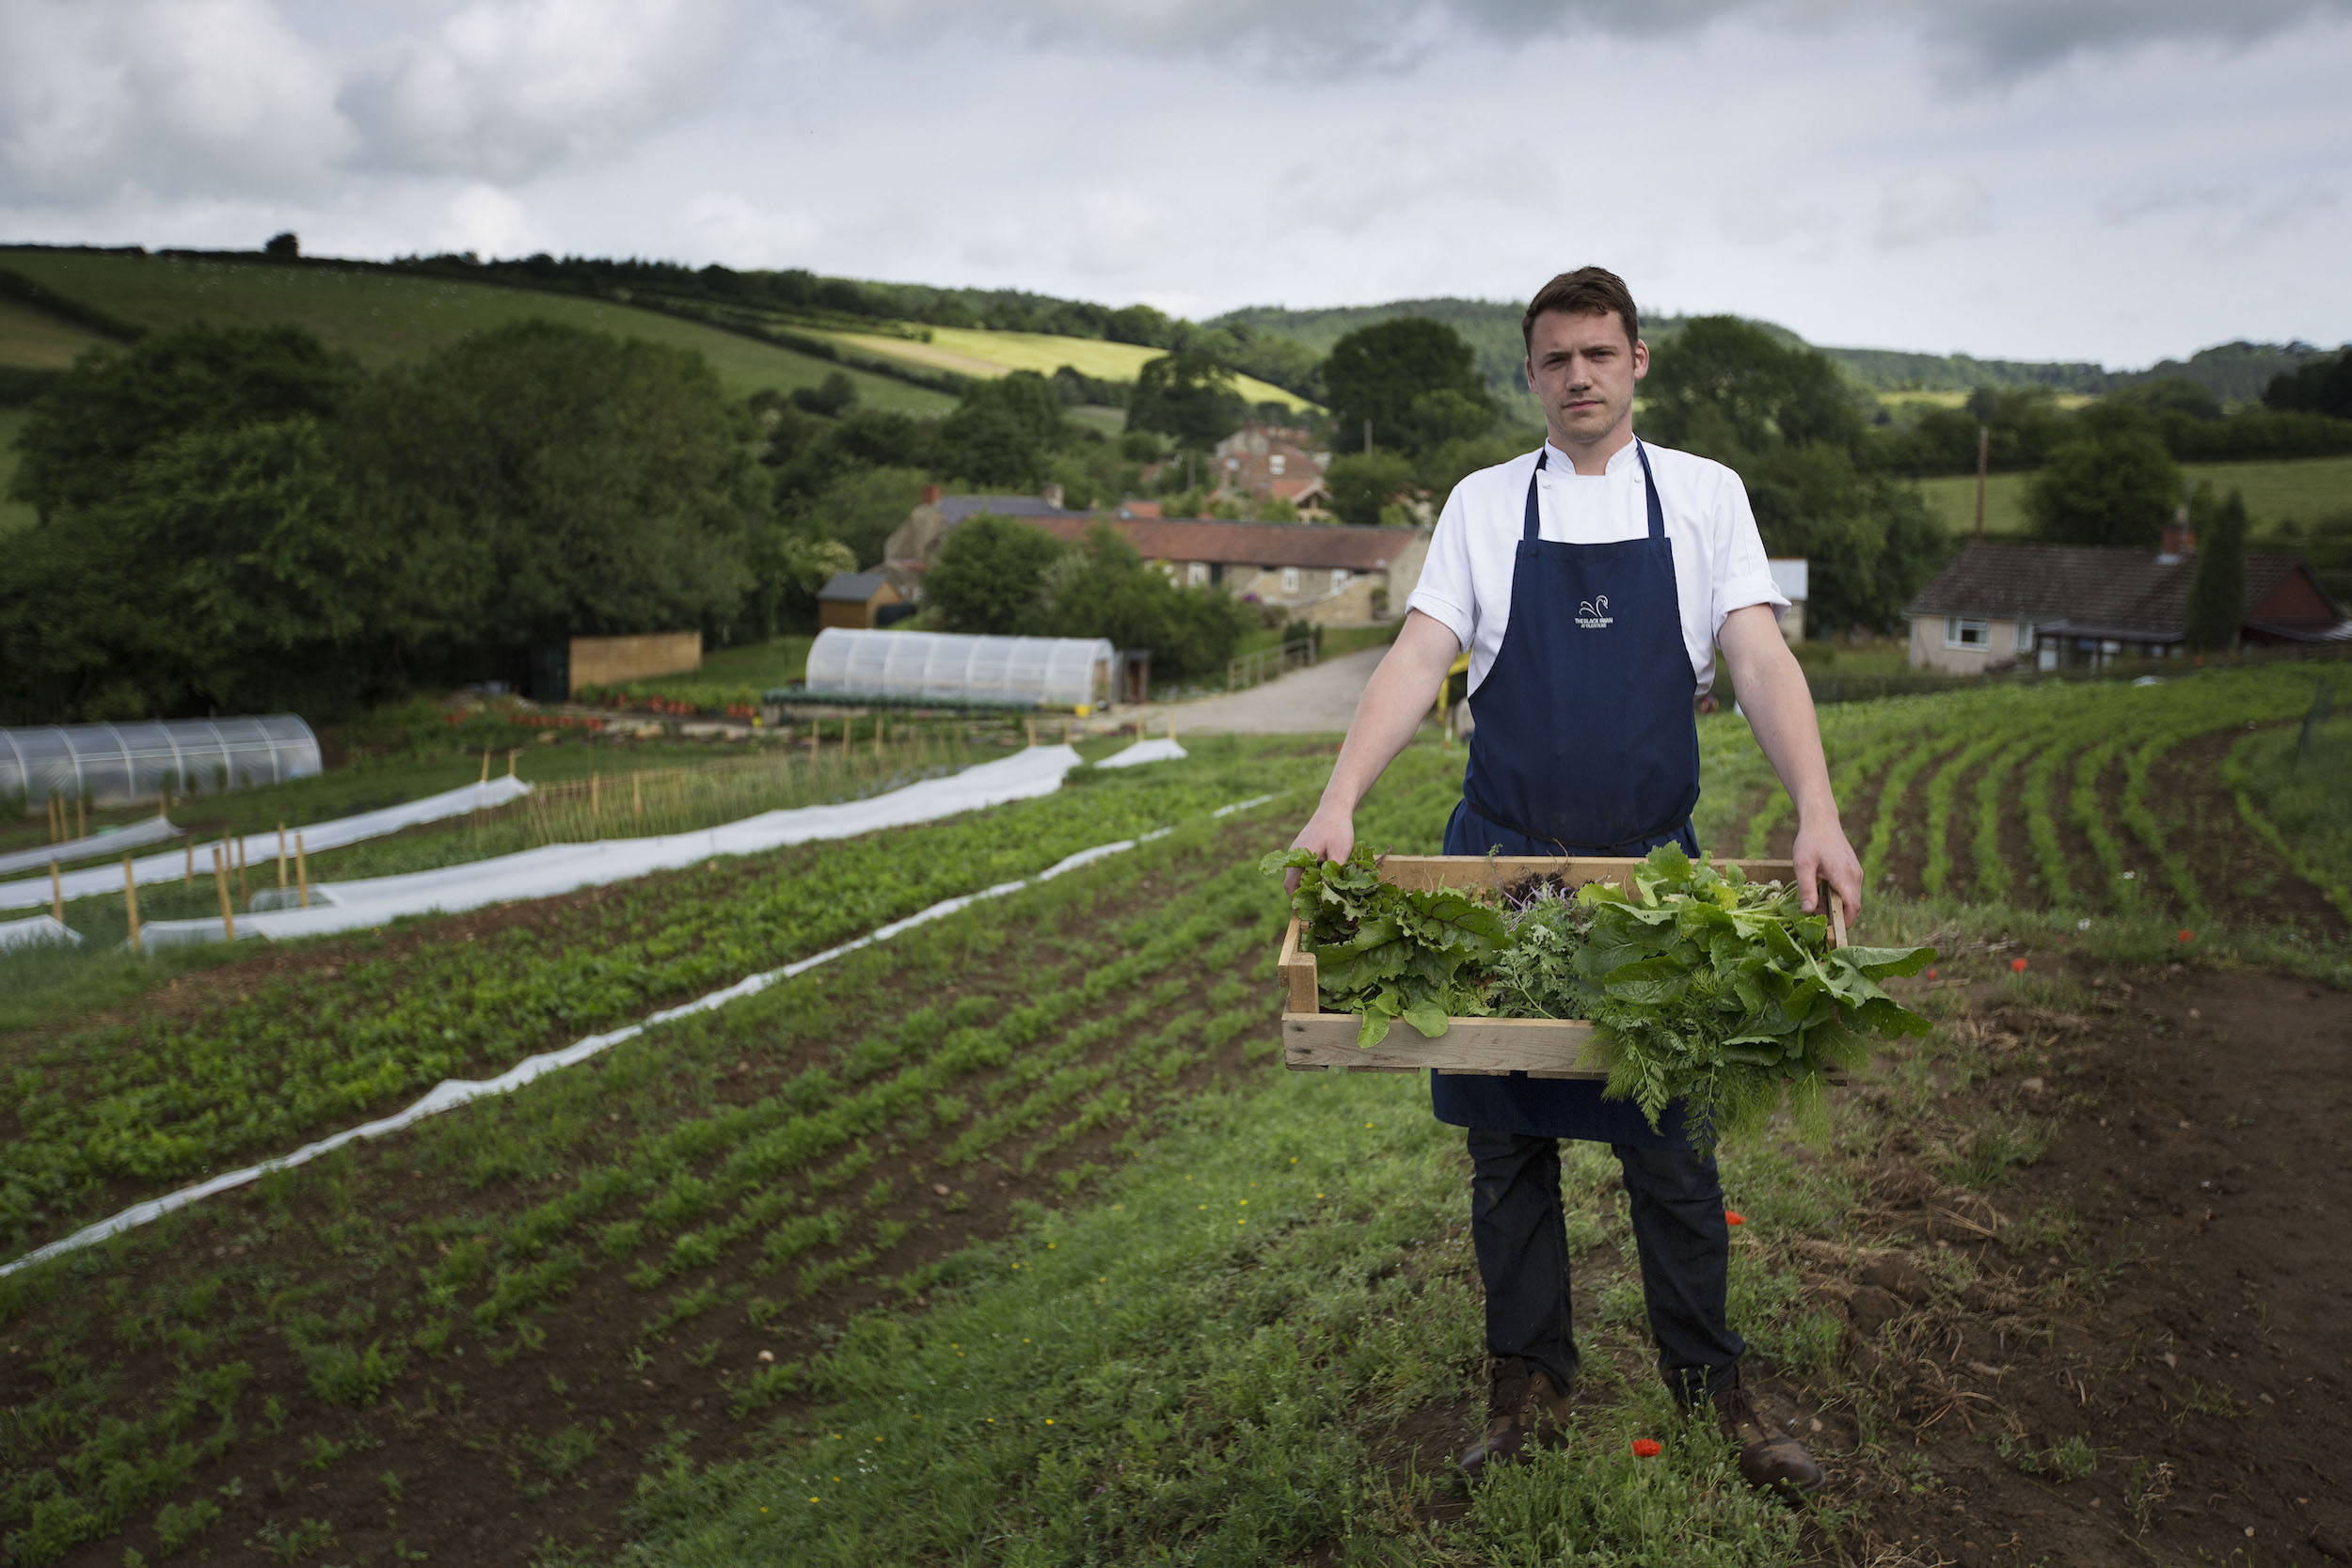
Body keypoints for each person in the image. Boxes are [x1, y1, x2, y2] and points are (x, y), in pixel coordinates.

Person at [1284, 266, 1862, 1497]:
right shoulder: (1487, 507)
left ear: (1638, 360)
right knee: (1507, 1150)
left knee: (1671, 1142)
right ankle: (1529, 1386)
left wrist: (1818, 810)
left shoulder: (1704, 499)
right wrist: (1338, 802)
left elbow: (1757, 656)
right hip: (1504, 867)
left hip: (1654, 883)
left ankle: (1716, 1387)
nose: (1580, 377)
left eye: (1600, 353)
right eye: (1556, 359)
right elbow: (1418, 653)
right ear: (1531, 373)